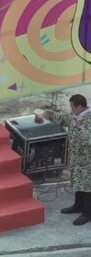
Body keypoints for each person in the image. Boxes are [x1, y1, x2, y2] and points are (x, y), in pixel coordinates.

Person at [38, 94, 91, 225]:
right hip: (76, 159)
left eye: (72, 106)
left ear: (79, 106)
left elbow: (88, 140)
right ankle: (78, 205)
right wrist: (50, 114)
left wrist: (79, 126)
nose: (71, 108)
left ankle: (87, 213)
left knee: (87, 187)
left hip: (87, 161)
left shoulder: (87, 119)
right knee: (78, 183)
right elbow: (63, 119)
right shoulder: (75, 116)